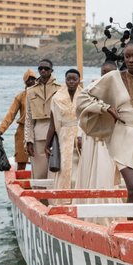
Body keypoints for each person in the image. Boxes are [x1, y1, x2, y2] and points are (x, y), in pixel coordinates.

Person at [77, 40, 133, 208]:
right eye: (127, 56)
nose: (130, 60)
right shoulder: (112, 78)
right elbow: (84, 96)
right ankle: (129, 228)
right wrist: (105, 108)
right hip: (121, 137)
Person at [74, 61, 120, 223]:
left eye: (109, 72)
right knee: (88, 169)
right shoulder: (91, 88)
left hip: (110, 138)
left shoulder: (120, 90)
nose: (106, 75)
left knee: (104, 172)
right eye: (103, 72)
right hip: (91, 136)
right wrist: (79, 135)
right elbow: (81, 112)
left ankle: (104, 214)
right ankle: (87, 208)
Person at [45, 69, 82, 204]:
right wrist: (47, 144)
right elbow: (52, 123)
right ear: (65, 80)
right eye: (69, 79)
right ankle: (63, 200)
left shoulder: (84, 96)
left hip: (81, 134)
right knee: (65, 167)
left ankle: (79, 199)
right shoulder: (57, 97)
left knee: (80, 166)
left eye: (74, 79)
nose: (71, 82)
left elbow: (87, 119)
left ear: (79, 80)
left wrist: (82, 135)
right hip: (64, 135)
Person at [24, 59, 62, 180]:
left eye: (46, 68)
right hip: (38, 131)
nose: (43, 71)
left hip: (58, 131)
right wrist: (28, 140)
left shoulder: (61, 88)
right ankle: (40, 198)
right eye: (40, 68)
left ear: (52, 70)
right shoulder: (30, 91)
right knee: (39, 172)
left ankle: (56, 197)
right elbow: (28, 118)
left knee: (57, 169)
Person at [0, 69, 36, 170]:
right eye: (28, 80)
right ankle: (21, 180)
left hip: (38, 128)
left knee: (39, 159)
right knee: (21, 158)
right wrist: (1, 129)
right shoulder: (20, 97)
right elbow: (11, 114)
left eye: (33, 79)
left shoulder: (39, 94)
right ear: (25, 81)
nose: (31, 81)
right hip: (22, 130)